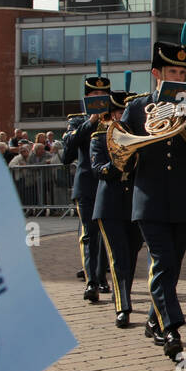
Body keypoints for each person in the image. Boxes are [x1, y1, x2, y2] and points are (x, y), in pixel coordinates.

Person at [121, 40, 186, 359]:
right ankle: (171, 328)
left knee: (171, 265)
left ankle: (153, 319)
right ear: (157, 74)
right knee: (161, 261)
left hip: (185, 196)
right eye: (172, 71)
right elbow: (122, 152)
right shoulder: (137, 107)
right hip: (151, 198)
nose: (179, 76)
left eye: (183, 72)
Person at [90, 92, 144, 328]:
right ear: (111, 115)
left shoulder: (139, 137)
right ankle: (123, 307)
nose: (122, 116)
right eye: (119, 113)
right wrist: (119, 161)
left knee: (132, 254)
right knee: (119, 256)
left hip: (133, 203)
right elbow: (99, 170)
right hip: (109, 204)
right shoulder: (99, 138)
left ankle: (122, 294)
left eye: (125, 112)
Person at [63, 72, 111, 303]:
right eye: (95, 94)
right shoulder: (77, 121)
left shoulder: (115, 118)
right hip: (86, 185)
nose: (100, 97)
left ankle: (101, 276)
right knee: (89, 233)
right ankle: (92, 280)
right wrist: (91, 122)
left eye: (104, 94)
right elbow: (67, 153)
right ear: (87, 97)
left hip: (108, 182)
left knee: (106, 233)